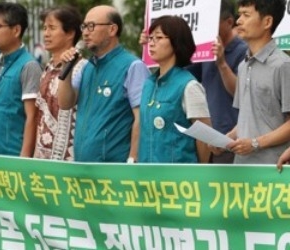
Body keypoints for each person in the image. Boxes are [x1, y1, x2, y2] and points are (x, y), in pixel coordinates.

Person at [58, 5, 150, 163]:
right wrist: (66, 71)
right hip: (83, 165)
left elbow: (141, 118)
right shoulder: (87, 67)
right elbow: (65, 103)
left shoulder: (132, 66)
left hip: (114, 169)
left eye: (91, 26)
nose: (85, 32)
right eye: (84, 26)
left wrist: (133, 160)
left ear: (112, 29)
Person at [137, 16, 211, 163]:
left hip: (178, 179)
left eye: (158, 37)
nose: (151, 43)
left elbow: (205, 136)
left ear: (176, 42)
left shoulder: (189, 86)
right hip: (147, 177)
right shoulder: (148, 84)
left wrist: (199, 173)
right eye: (150, 38)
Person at [226, 0, 290, 164]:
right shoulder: (243, 65)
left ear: (267, 22)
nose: (239, 20)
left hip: (272, 171)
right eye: (239, 14)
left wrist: (255, 143)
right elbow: (248, 119)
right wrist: (227, 139)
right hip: (241, 168)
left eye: (246, 15)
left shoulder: (283, 65)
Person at [186, 0, 248, 163]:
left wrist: (221, 63)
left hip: (232, 139)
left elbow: (240, 93)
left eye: (212, 23)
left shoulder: (244, 51)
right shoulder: (205, 49)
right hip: (207, 137)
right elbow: (186, 76)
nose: (207, 28)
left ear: (229, 22)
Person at [0, 2, 42, 157]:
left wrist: (23, 161)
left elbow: (32, 117)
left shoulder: (29, 66)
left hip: (12, 159)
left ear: (16, 30)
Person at [34, 6, 85, 161]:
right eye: (44, 28)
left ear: (70, 33)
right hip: (41, 158)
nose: (46, 34)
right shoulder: (47, 68)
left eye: (52, 28)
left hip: (68, 159)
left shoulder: (82, 68)